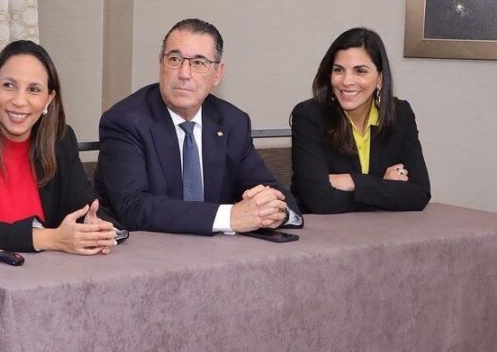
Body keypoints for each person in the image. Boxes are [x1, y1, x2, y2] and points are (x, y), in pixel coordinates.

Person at [95, 18, 302, 235]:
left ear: (217, 74)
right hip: (146, 250)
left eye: (198, 63)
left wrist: (275, 211)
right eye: (174, 59)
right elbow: (134, 207)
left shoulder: (232, 122)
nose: (184, 73)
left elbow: (275, 193)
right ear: (160, 64)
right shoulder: (125, 121)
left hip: (216, 252)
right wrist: (230, 217)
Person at [0, 40, 122, 255]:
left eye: (34, 89)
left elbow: (84, 205)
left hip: (41, 272)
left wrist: (95, 228)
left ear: (48, 99)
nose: (20, 101)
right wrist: (50, 239)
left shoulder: (60, 141)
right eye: (9, 85)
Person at [290, 27, 431, 214]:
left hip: (383, 228)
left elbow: (419, 193)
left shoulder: (400, 114)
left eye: (360, 71)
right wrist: (382, 186)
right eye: (338, 70)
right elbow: (319, 199)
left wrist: (350, 181)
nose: (347, 81)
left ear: (379, 78)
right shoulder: (309, 116)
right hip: (322, 229)